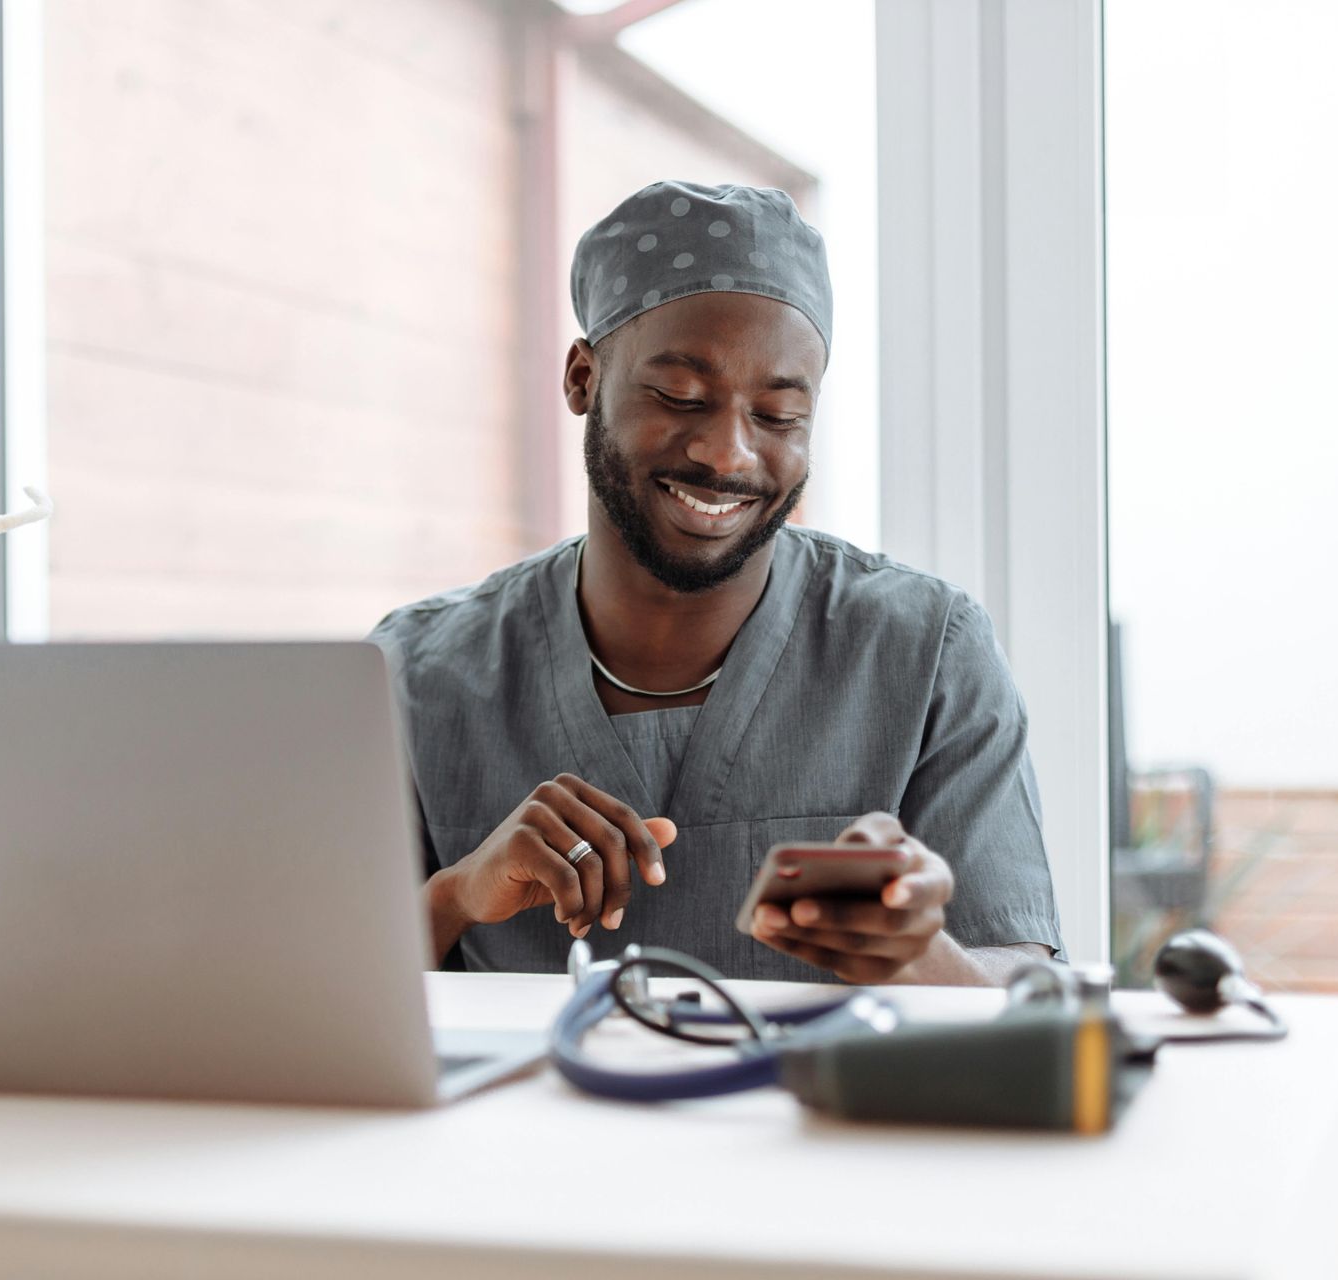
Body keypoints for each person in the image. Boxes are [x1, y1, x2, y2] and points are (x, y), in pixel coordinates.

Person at [370, 181, 1062, 985]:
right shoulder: (418, 673)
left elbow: (1019, 981)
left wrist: (918, 954)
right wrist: (456, 895)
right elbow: (299, 993)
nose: (729, 455)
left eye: (777, 416)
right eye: (679, 396)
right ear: (583, 378)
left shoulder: (923, 650)